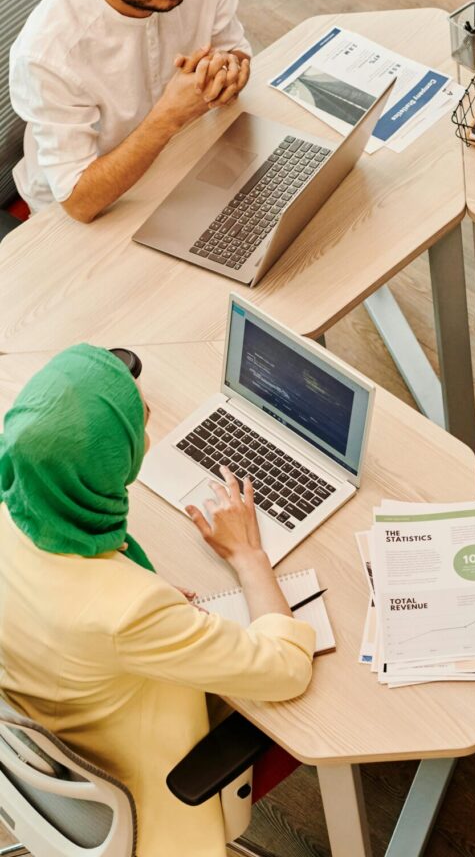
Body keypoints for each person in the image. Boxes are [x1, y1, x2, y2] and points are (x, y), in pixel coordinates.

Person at [0, 345, 314, 855]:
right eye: (137, 429)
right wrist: (249, 554)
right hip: (155, 796)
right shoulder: (126, 610)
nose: (146, 438)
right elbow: (286, 669)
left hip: (54, 735)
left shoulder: (14, 512)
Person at [9, 0, 252, 221]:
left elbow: (234, 48)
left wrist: (228, 70)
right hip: (90, 206)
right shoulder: (48, 54)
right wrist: (169, 117)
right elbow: (78, 201)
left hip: (184, 155)